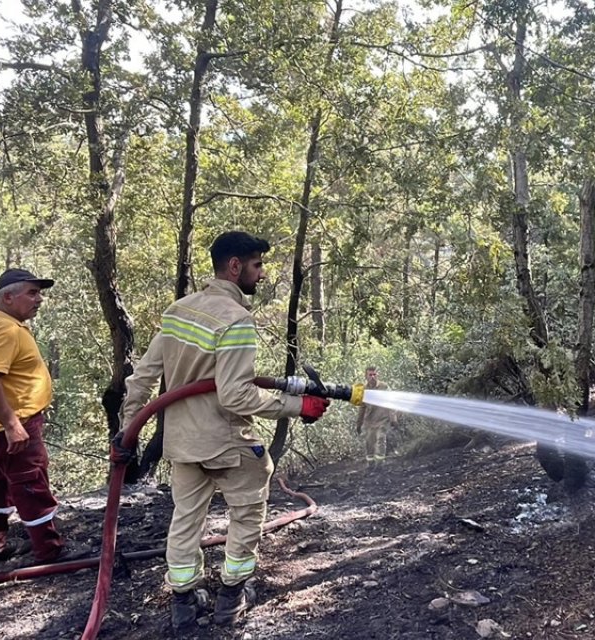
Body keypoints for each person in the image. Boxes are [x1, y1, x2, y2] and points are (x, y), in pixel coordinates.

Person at [120, 231, 331, 629]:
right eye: (257, 265)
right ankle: (232, 593)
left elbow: (142, 378)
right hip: (225, 440)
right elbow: (236, 396)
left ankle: (183, 599)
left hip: (181, 442)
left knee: (185, 517)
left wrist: (127, 428)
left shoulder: (178, 310)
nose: (263, 274)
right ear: (234, 266)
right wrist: (297, 406)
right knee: (249, 507)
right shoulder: (236, 320)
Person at [0, 268, 66, 570]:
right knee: (30, 484)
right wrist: (12, 425)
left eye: (39, 293)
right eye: (32, 293)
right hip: (13, 426)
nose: (39, 300)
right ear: (8, 297)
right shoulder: (3, 330)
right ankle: (49, 552)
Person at [356, 366, 398, 464]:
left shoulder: (384, 387)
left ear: (377, 375)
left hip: (382, 420)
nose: (372, 377)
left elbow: (391, 402)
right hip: (369, 421)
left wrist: (393, 419)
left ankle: (380, 464)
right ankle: (370, 463)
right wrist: (359, 424)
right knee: (369, 443)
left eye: (374, 374)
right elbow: (362, 408)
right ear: (366, 376)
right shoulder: (363, 390)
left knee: (381, 438)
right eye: (370, 375)